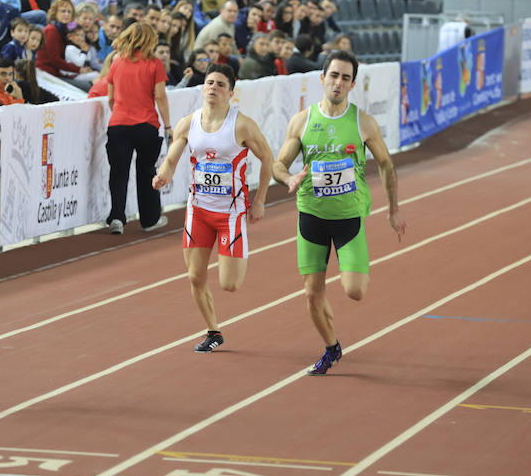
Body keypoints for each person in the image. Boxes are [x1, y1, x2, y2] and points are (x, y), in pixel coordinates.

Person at [273, 50, 407, 375]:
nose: (338, 82)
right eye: (333, 75)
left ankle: (337, 316)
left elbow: (387, 165)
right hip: (311, 217)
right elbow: (278, 164)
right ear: (322, 78)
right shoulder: (302, 121)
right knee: (311, 292)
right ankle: (332, 347)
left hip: (348, 218)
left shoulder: (363, 122)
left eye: (345, 78)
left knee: (355, 291)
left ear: (352, 85)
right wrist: (288, 177)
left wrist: (393, 209)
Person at [152, 62, 273, 352]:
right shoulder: (187, 124)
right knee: (195, 276)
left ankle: (234, 249)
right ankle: (213, 331)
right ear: (202, 87)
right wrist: (163, 175)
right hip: (198, 211)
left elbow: (267, 158)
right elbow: (171, 159)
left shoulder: (241, 124)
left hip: (231, 214)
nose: (213, 88)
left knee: (230, 284)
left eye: (220, 84)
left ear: (231, 92)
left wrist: (259, 201)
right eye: (210, 83)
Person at [103, 22, 170, 234]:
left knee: (118, 173)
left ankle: (117, 217)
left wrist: (122, 111)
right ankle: (149, 219)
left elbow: (111, 98)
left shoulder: (116, 62)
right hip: (146, 124)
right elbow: (159, 95)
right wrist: (168, 125)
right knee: (146, 172)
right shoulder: (154, 64)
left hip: (118, 124)